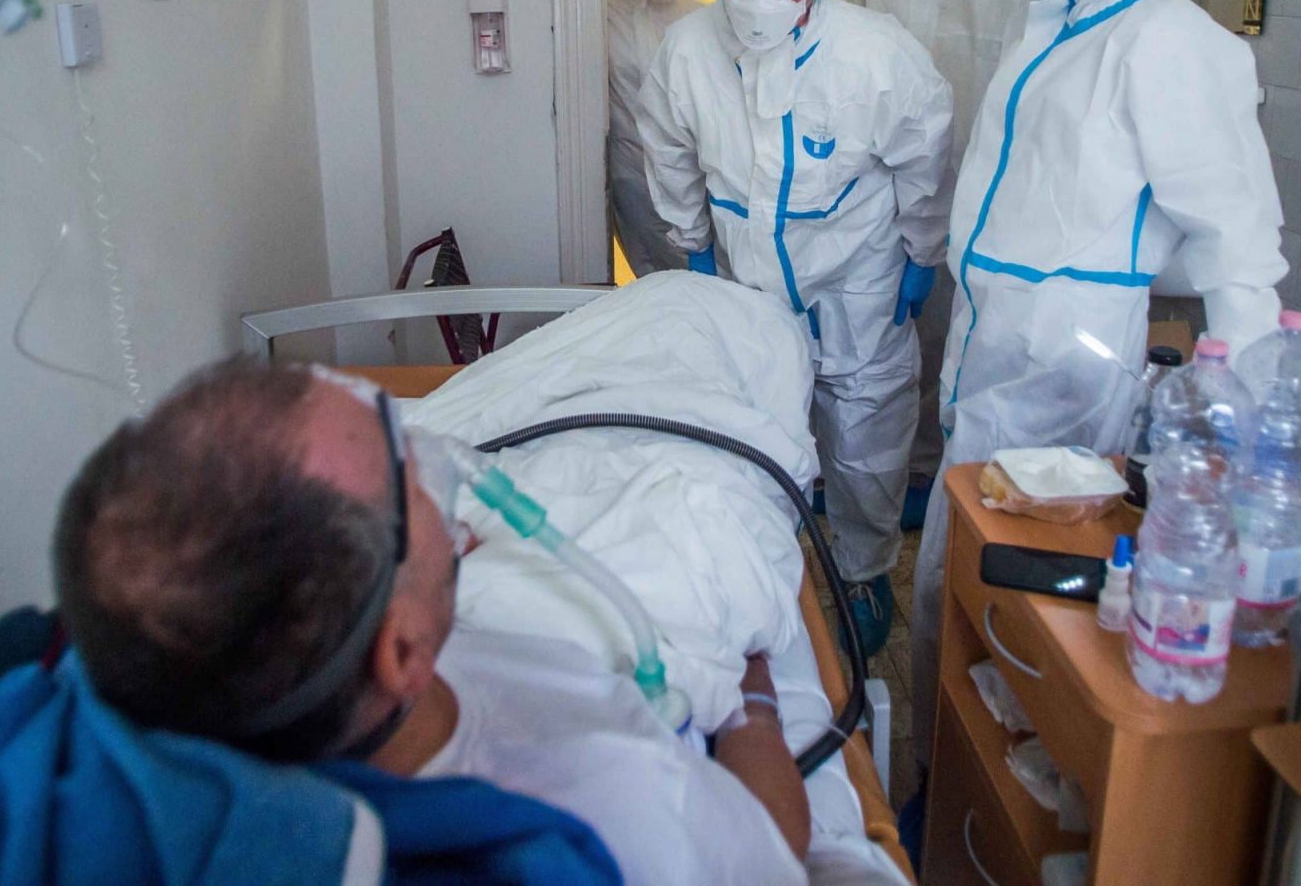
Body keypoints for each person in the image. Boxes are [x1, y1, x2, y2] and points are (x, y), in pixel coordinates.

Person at [45, 361, 810, 885]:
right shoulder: (620, 806)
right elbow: (772, 850)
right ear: (402, 653)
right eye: (412, 479)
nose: (443, 468)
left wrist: (427, 567)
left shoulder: (192, 666)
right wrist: (755, 705)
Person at [906, 0, 1286, 775]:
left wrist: (1241, 414)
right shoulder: (1055, 27)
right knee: (967, 559)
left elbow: (1236, 231)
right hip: (998, 334)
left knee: (1029, 589)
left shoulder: (1163, 36)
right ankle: (945, 767)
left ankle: (1007, 775)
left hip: (1068, 353)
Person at [637, 0, 953, 654]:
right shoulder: (688, 49)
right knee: (751, 424)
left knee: (865, 430)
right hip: (743, 272)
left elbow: (926, 157)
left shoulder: (876, 52)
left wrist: (923, 252)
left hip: (855, 272)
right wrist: (693, 243)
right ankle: (761, 569)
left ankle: (863, 572)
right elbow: (668, 150)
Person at [839, 0, 1023, 527]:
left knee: (953, 325)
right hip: (876, 165)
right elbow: (845, 33)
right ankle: (857, 471)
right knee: (867, 326)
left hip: (975, 163)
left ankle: (932, 470)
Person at [607, 0, 704, 277]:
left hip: (690, 169)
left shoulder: (698, 16)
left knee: (694, 266)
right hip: (628, 168)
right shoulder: (600, 9)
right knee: (649, 266)